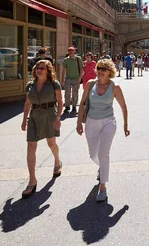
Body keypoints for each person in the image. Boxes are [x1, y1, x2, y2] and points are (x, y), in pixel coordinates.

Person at [76, 59, 130, 203]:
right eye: (99, 68)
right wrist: (78, 123)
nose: (100, 71)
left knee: (103, 153)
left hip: (108, 122)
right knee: (93, 154)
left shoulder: (115, 87)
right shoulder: (90, 84)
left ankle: (103, 187)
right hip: (91, 122)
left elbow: (124, 107)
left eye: (104, 69)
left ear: (110, 72)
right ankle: (102, 167)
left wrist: (125, 125)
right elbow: (82, 103)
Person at [21, 60, 63, 199]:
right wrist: (24, 120)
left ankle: (57, 161)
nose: (39, 70)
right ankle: (32, 180)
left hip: (49, 116)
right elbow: (27, 103)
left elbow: (60, 101)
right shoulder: (30, 85)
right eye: (37, 68)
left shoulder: (54, 84)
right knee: (30, 147)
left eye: (42, 68)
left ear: (48, 70)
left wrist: (58, 118)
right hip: (34, 116)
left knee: (51, 144)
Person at [61, 47, 83, 114]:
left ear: (74, 52)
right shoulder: (66, 60)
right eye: (69, 51)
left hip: (76, 78)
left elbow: (82, 69)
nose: (70, 53)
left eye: (71, 51)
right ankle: (67, 106)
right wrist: (62, 79)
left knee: (75, 93)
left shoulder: (78, 59)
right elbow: (64, 70)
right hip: (68, 78)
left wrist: (79, 78)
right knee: (67, 93)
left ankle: (74, 106)